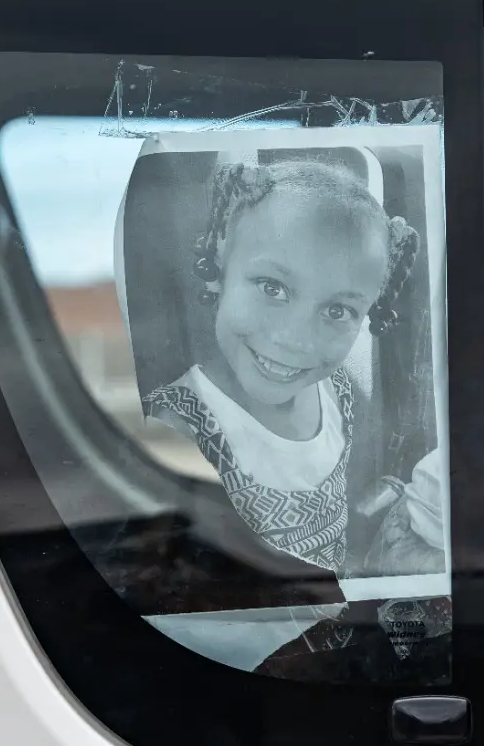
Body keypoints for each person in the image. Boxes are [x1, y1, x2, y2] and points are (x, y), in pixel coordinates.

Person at [142, 158, 420, 573]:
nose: (295, 338)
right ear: (219, 268)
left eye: (338, 311)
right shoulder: (178, 423)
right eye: (273, 288)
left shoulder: (338, 392)